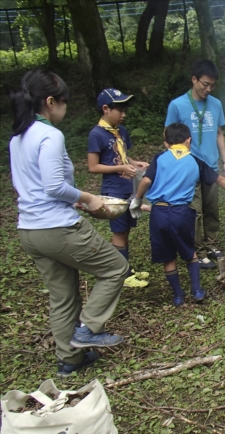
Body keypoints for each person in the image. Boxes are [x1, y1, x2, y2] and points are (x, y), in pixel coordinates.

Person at [9, 69, 128, 377]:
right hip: (58, 228)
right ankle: (88, 328)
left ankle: (69, 361)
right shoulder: (49, 135)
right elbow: (52, 185)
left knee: (63, 295)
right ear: (50, 101)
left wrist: (71, 198)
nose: (66, 108)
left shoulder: (18, 136)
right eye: (64, 102)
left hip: (30, 230)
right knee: (115, 267)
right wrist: (88, 198)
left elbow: (34, 186)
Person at [130, 123, 225, 306]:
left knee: (168, 257)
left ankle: (178, 296)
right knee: (190, 253)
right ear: (188, 140)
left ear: (166, 143)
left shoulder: (159, 158)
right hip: (181, 212)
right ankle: (197, 290)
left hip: (159, 213)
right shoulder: (195, 161)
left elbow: (145, 181)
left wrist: (137, 200)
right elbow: (218, 179)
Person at [165, 59, 225, 269]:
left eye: (212, 85)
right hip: (188, 168)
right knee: (195, 211)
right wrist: (176, 163)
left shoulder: (216, 104)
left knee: (212, 208)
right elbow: (168, 137)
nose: (208, 89)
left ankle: (212, 243)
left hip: (210, 165)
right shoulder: (177, 105)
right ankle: (197, 250)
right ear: (194, 79)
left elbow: (219, 133)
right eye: (205, 84)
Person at [87, 88, 150, 288]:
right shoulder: (96, 134)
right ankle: (121, 275)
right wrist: (121, 167)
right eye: (120, 110)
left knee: (126, 231)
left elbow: (124, 156)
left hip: (128, 187)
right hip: (113, 190)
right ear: (106, 109)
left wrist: (134, 162)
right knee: (119, 232)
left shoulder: (121, 131)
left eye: (125, 110)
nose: (124, 115)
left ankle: (126, 268)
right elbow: (93, 166)